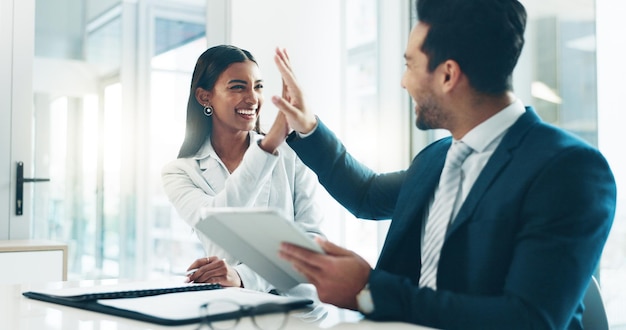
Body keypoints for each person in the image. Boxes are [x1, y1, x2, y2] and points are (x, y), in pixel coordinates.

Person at [268, 0, 617, 329]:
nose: (404, 82)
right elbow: (367, 195)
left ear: (448, 75)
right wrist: (307, 126)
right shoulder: (437, 158)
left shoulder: (568, 170)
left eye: (409, 65)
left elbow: (528, 320)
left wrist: (369, 290)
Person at [161, 45, 324, 296]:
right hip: (228, 308)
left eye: (258, 86)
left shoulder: (291, 156)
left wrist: (241, 276)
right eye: (238, 87)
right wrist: (268, 145)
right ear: (205, 97)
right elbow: (217, 226)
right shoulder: (179, 172)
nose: (252, 98)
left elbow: (312, 244)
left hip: (297, 311)